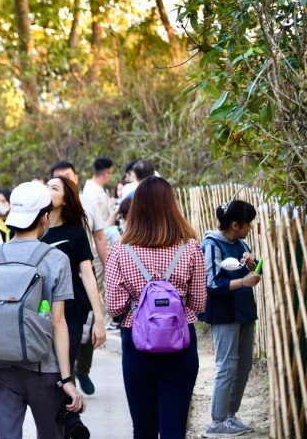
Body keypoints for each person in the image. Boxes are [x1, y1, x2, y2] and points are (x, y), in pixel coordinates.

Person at [104, 176, 207, 439]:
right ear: (172, 206)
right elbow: (199, 303)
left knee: (144, 428)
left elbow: (114, 308)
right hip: (181, 344)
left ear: (136, 209)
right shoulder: (191, 247)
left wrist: (139, 301)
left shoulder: (120, 250)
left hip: (137, 345)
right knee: (174, 429)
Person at [0, 182, 85, 439]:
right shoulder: (55, 259)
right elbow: (58, 323)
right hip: (43, 365)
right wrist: (67, 380)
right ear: (44, 218)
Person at [201, 200, 261, 437]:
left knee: (243, 366)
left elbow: (255, 272)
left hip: (244, 311)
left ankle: (230, 415)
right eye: (248, 224)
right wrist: (243, 282)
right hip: (225, 313)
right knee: (226, 366)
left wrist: (252, 264)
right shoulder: (211, 245)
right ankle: (216, 422)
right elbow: (212, 283)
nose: (250, 229)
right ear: (235, 224)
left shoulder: (241, 242)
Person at [50, 162, 108, 396]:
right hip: (41, 312)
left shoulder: (75, 233)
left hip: (72, 309)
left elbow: (87, 274)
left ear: (65, 199)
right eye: (48, 185)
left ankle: (68, 422)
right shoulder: (33, 231)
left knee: (64, 369)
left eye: (54, 188)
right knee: (50, 373)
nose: (48, 190)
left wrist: (99, 318)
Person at [82, 157, 114, 227]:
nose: (111, 176)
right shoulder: (91, 191)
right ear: (105, 174)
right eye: (110, 173)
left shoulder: (97, 187)